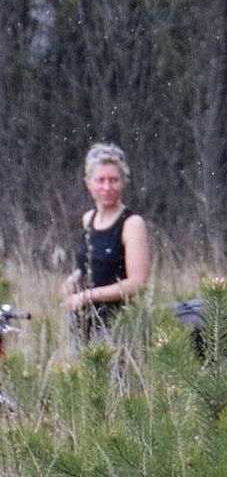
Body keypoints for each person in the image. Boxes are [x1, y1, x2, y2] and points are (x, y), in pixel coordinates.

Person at [62, 143, 151, 340]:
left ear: (123, 182)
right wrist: (74, 278)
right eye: (100, 180)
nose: (107, 187)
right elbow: (89, 265)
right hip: (83, 321)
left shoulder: (132, 224)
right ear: (88, 183)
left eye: (114, 180)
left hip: (119, 325)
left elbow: (137, 283)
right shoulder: (88, 219)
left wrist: (88, 295)